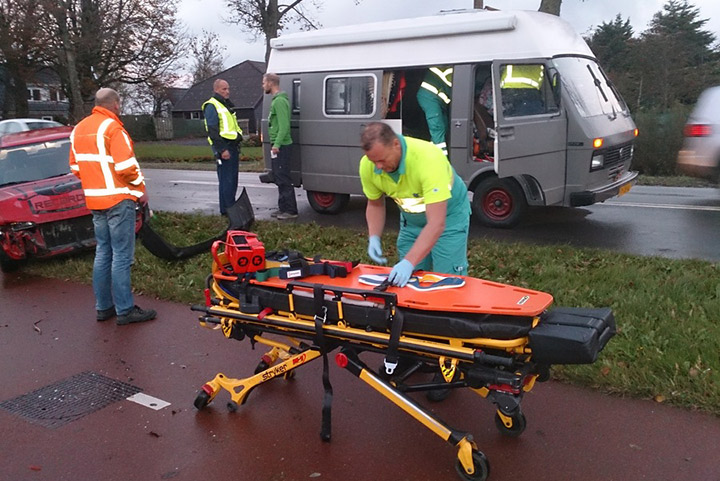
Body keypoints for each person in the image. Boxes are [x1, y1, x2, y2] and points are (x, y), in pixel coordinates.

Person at [69, 88, 156, 325]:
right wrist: (140, 190)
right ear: (115, 104)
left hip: (95, 201)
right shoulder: (113, 129)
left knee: (103, 252)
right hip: (119, 201)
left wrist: (97, 181)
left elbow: (76, 167)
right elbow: (126, 168)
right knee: (121, 256)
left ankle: (104, 307)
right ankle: (125, 310)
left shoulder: (79, 129)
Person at [359, 122, 471, 288]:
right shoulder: (369, 165)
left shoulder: (428, 159)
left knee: (448, 280)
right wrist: (374, 237)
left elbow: (436, 223)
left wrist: (408, 262)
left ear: (396, 144)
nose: (378, 167)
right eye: (373, 161)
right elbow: (375, 204)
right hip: (412, 223)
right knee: (410, 281)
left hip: (448, 219)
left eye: (382, 160)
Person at [203, 79, 243, 216]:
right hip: (225, 147)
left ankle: (229, 208)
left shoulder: (225, 105)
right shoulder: (212, 105)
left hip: (232, 146)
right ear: (216, 90)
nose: (227, 92)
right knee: (227, 181)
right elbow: (213, 130)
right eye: (223, 89)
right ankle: (227, 210)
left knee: (232, 180)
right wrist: (222, 149)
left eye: (228, 89)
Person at [262, 72, 298, 220]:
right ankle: (282, 207)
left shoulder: (279, 102)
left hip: (282, 145)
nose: (263, 85)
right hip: (277, 145)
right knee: (278, 177)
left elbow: (284, 126)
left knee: (283, 177)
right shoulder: (276, 100)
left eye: (264, 82)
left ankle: (290, 210)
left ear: (271, 83)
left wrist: (276, 145)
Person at [416, 66, 453, 156]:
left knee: (444, 128)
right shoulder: (451, 71)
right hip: (429, 98)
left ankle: (432, 154)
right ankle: (442, 159)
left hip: (437, 99)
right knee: (438, 128)